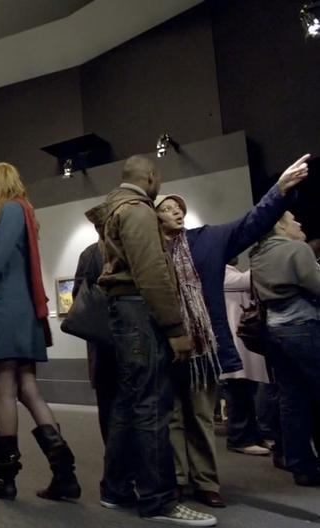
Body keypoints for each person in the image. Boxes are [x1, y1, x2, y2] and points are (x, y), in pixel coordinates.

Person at [152, 154, 307, 507]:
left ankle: (206, 481)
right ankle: (176, 478)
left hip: (202, 345)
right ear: (154, 215)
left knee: (201, 415)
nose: (177, 211)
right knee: (172, 415)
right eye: (168, 207)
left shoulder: (207, 240)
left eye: (180, 207)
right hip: (164, 344)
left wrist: (279, 190)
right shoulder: (148, 250)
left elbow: (250, 224)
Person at [83, 155, 214, 526]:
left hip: (125, 314)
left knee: (129, 402)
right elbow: (153, 273)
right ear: (152, 177)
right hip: (140, 314)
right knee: (153, 404)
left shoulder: (113, 210)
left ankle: (116, 488)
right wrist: (175, 329)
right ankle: (160, 501)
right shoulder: (138, 211)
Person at [0, 162, 79, 505]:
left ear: (4, 183)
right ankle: (65, 476)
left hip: (4, 313)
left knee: (5, 390)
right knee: (28, 388)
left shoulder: (9, 211)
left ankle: (4, 478)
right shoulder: (22, 211)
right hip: (21, 315)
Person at [251, 211, 320, 486]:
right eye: (294, 220)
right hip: (304, 328)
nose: (300, 224)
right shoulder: (297, 249)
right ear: (279, 225)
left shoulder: (257, 255)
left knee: (292, 400)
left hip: (275, 332)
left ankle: (300, 465)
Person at [222, 260, 272, 455]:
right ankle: (239, 437)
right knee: (237, 390)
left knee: (246, 388)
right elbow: (247, 279)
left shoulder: (229, 271)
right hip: (233, 337)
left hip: (240, 337)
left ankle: (252, 434)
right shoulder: (221, 270)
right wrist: (268, 257)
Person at [72, 237, 117, 443]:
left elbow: (79, 297)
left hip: (105, 343)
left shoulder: (90, 253)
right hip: (107, 343)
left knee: (110, 407)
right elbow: (81, 298)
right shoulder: (91, 254)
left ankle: (116, 469)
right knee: (111, 406)